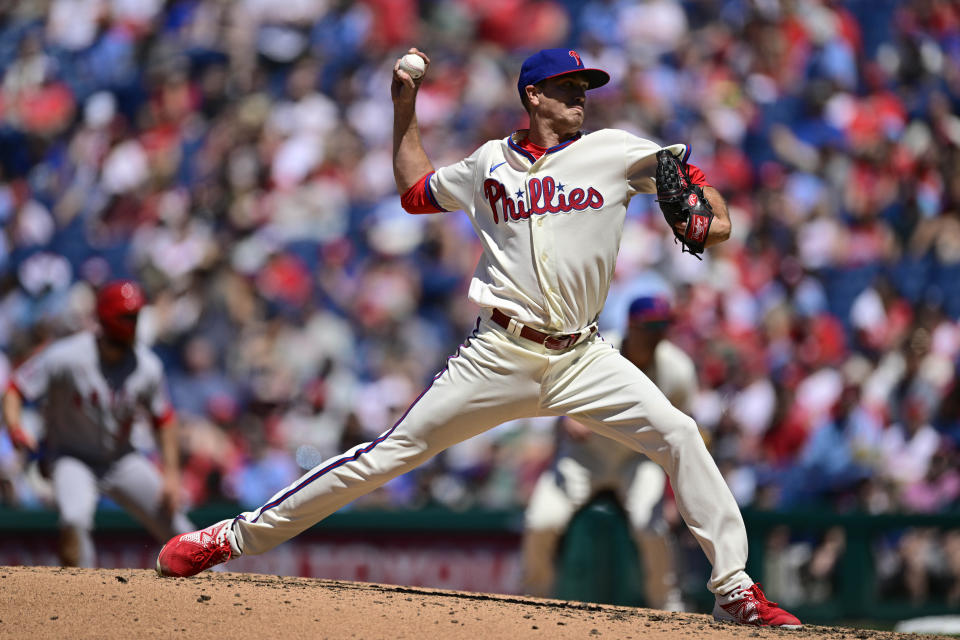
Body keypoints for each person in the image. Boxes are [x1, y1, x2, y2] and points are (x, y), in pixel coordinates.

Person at [156, 47, 801, 629]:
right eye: (568, 86)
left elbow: (697, 193)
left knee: (679, 433)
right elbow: (414, 189)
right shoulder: (488, 163)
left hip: (581, 354)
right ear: (533, 96)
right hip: (498, 351)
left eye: (585, 86)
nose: (581, 96)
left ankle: (734, 588)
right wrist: (403, 106)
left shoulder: (615, 150)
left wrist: (712, 216)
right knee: (389, 454)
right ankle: (232, 539)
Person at [2, 280, 193, 566]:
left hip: (122, 459)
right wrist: (16, 428)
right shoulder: (66, 356)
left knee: (180, 526)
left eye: (136, 316)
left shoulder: (147, 366)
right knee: (74, 519)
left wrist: (172, 475)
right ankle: (83, 598)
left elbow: (163, 420)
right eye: (127, 316)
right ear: (106, 317)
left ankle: (230, 593)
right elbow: (16, 389)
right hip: (71, 457)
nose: (133, 323)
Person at [522, 295, 693, 611]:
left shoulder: (677, 370)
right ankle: (535, 600)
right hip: (584, 458)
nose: (657, 334)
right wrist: (565, 418)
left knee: (651, 526)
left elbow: (683, 441)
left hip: (637, 460)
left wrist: (674, 497)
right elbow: (552, 393)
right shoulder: (596, 351)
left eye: (662, 327)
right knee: (541, 521)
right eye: (650, 327)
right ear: (631, 326)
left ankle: (666, 603)